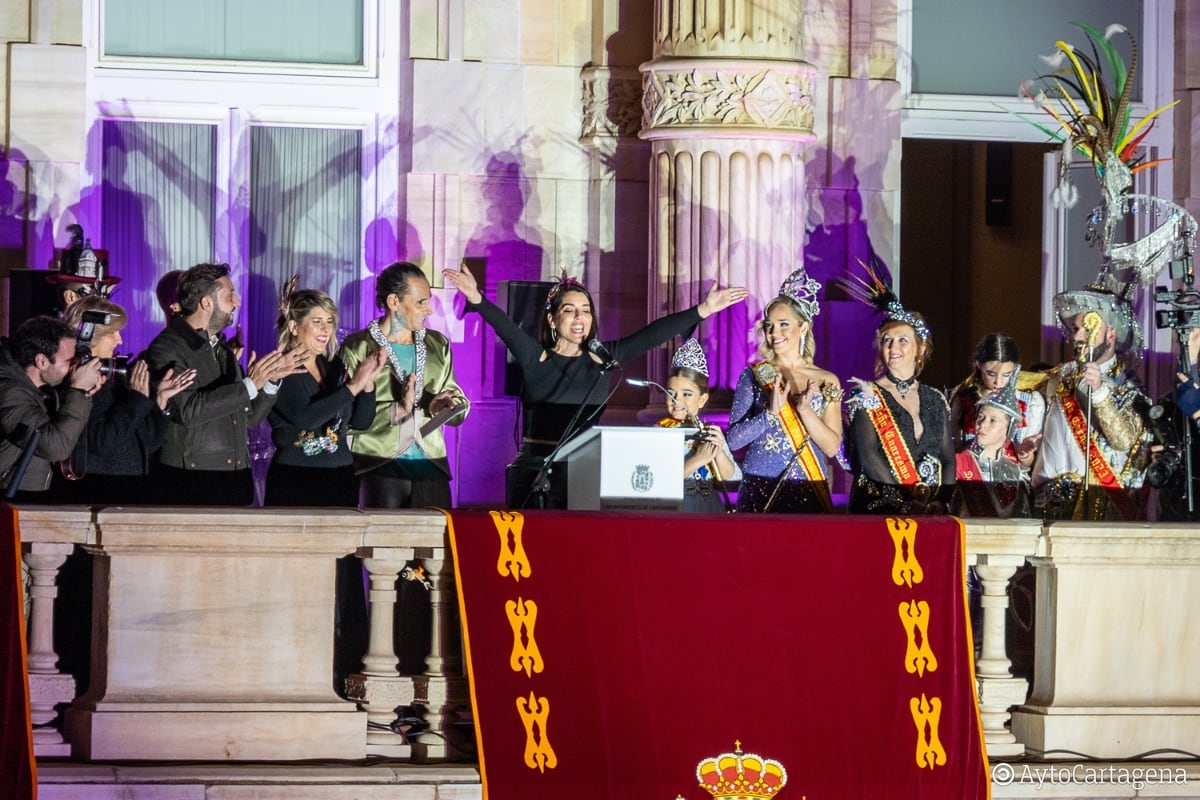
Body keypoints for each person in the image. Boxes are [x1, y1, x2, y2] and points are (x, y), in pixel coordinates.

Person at [443, 261, 749, 509]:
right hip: (535, 469)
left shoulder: (604, 359)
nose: (580, 317)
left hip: (583, 469)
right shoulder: (537, 358)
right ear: (552, 320)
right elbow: (506, 327)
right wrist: (476, 298)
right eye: (569, 310)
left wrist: (703, 310)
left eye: (586, 310)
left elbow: (652, 335)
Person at [144, 262, 306, 506]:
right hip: (193, 481)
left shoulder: (220, 348)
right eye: (230, 294)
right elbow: (188, 410)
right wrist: (252, 383)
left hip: (234, 479)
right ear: (206, 303)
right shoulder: (167, 347)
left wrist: (271, 381)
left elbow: (247, 417)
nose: (237, 301)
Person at [340, 262, 469, 508]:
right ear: (394, 302)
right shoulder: (358, 347)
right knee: (381, 545)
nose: (429, 310)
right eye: (421, 302)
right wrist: (397, 409)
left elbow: (460, 403)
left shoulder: (437, 345)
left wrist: (445, 406)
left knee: (437, 544)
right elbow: (345, 419)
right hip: (377, 463)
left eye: (428, 301)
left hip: (431, 465)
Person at [51, 296, 196, 504]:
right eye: (113, 333)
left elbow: (148, 442)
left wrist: (160, 402)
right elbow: (102, 442)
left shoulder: (116, 378)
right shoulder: (77, 383)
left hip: (131, 488)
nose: (120, 340)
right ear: (90, 335)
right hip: (99, 491)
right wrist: (136, 400)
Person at [842, 259, 954, 514]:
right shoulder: (866, 395)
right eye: (887, 341)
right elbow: (869, 458)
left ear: (920, 349)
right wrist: (906, 503)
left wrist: (941, 500)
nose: (893, 348)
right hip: (878, 509)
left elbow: (947, 458)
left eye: (903, 340)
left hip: (928, 512)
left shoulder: (935, 398)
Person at [1032, 284, 1152, 520]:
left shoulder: (1128, 388)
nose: (1077, 336)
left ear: (1110, 335)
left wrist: (1098, 392)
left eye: (1087, 330)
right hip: (1048, 512)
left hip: (1100, 515)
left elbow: (1124, 439)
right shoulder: (1057, 378)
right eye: (1076, 329)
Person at [727, 267, 842, 513]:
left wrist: (805, 412)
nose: (774, 333)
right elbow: (734, 441)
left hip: (809, 487)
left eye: (783, 324)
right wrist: (769, 414)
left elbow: (832, 447)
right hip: (760, 487)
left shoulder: (826, 380)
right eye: (769, 326)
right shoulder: (754, 376)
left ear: (803, 328)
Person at [264, 284, 386, 507]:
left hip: (340, 476)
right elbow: (305, 418)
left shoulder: (333, 366)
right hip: (296, 478)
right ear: (293, 326)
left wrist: (367, 383)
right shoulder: (281, 367)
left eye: (330, 321)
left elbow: (360, 422)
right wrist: (353, 386)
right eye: (317, 321)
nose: (325, 329)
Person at [0, 316, 103, 500]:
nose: (73, 367)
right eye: (68, 361)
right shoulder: (9, 393)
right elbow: (55, 447)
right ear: (41, 362)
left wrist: (82, 392)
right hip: (10, 498)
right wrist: (77, 391)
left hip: (25, 494)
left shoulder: (44, 389)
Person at [654, 338, 740, 512]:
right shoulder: (660, 432)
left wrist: (718, 450)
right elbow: (657, 480)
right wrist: (699, 459)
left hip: (709, 509)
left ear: (702, 399)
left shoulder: (709, 432)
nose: (677, 400)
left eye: (687, 394)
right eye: (671, 393)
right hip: (676, 509)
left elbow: (733, 481)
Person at [948, 333, 1046, 470]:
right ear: (979, 365)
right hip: (970, 476)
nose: (998, 382)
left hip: (1009, 481)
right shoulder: (964, 400)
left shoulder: (1029, 402)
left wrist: (1024, 454)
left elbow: (1028, 463)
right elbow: (954, 449)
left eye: (1007, 375)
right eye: (991, 374)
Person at [952, 368, 1031, 517]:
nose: (982, 424)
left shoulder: (1014, 471)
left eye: (993, 420)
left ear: (1009, 429)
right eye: (980, 417)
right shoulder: (958, 463)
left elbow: (1022, 518)